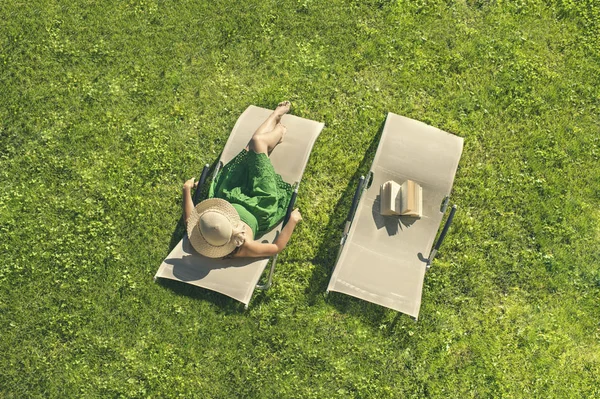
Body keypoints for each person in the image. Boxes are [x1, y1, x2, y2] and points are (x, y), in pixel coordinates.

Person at [182, 101, 302, 259]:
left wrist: (186, 190)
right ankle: (278, 128)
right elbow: (276, 247)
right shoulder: (245, 246)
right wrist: (292, 220)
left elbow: (189, 218)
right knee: (256, 142)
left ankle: (274, 119)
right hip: (261, 203)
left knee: (249, 151)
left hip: (230, 193)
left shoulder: (207, 233)